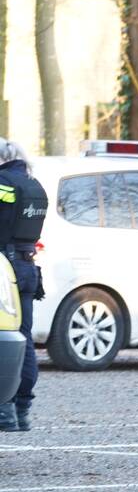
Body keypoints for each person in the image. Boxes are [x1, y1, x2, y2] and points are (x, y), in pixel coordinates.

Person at [0, 139, 46, 432]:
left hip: (5, 268)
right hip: (28, 266)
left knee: (4, 337)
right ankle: (22, 410)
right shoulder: (34, 185)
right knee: (23, 338)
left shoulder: (3, 184)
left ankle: (4, 411)